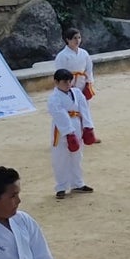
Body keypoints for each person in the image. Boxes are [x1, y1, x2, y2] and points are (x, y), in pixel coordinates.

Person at [47, 68, 96, 200]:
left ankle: (77, 183)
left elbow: (84, 109)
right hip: (61, 129)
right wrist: (69, 133)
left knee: (77, 156)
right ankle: (61, 186)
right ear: (56, 82)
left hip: (77, 124)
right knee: (61, 158)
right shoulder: (54, 98)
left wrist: (88, 127)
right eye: (64, 82)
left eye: (69, 81)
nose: (68, 84)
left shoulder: (77, 92)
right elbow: (59, 115)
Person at [54, 28, 95, 102]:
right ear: (68, 39)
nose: (77, 40)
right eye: (74, 38)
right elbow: (60, 72)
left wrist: (89, 81)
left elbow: (89, 68)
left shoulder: (84, 53)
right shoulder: (62, 55)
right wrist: (66, 83)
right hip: (69, 83)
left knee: (84, 104)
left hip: (82, 81)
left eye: (79, 38)